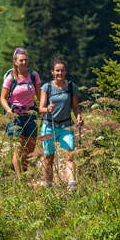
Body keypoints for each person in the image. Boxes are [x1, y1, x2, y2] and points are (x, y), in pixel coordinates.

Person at [38, 57, 82, 190]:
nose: (60, 73)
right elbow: (40, 108)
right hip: (48, 126)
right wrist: (48, 109)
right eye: (57, 70)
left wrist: (79, 117)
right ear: (52, 72)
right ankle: (47, 185)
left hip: (66, 126)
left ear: (66, 72)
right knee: (48, 157)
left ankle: (72, 184)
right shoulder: (47, 87)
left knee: (69, 156)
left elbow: (75, 107)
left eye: (62, 70)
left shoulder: (71, 87)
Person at [0, 47, 42, 179]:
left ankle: (26, 172)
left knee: (30, 149)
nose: (24, 62)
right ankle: (20, 180)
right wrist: (8, 111)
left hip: (30, 115)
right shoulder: (11, 78)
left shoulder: (34, 75)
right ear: (15, 62)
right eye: (21, 60)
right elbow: (3, 98)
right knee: (18, 149)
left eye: (26, 60)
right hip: (15, 117)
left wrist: (45, 108)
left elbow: (40, 95)